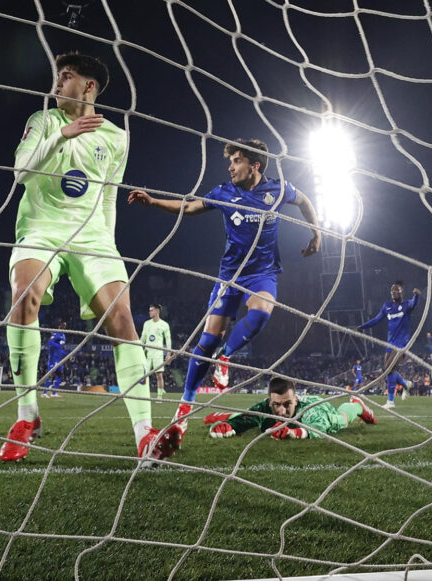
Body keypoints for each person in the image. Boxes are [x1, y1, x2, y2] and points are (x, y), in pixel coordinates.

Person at [1, 51, 176, 464]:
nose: (58, 84)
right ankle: (27, 417)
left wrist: (109, 247)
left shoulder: (116, 137)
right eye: (58, 77)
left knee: (121, 320)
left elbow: (109, 197)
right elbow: (20, 173)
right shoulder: (43, 122)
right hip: (42, 227)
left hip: (93, 236)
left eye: (66, 77)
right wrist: (65, 134)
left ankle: (144, 434)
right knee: (24, 296)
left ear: (89, 86)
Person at [128, 138, 321, 443]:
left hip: (262, 274)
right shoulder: (224, 192)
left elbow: (306, 202)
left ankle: (226, 357)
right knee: (206, 342)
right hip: (229, 276)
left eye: (237, 161)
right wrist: (152, 202)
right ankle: (184, 409)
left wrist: (316, 232)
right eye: (230, 161)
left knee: (261, 313)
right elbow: (190, 206)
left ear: (254, 166)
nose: (230, 167)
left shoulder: (279, 189)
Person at [202, 376, 375, 439]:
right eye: (276, 405)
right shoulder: (265, 407)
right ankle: (227, 415)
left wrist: (293, 433)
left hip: (322, 409)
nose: (282, 412)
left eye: (287, 405)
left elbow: (318, 428)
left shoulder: (310, 410)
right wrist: (230, 426)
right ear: (270, 402)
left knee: (341, 420)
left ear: (296, 402)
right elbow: (249, 418)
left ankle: (356, 405)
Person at [358, 282, 422, 409]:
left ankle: (390, 402)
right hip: (390, 342)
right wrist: (362, 327)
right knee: (389, 371)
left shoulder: (406, 305)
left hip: (401, 343)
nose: (393, 292)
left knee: (387, 369)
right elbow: (376, 319)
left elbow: (414, 303)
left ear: (401, 292)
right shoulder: (387, 306)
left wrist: (417, 295)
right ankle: (405, 384)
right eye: (392, 291)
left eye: (396, 290)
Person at [140, 303, 172, 399]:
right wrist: (138, 349)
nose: (150, 312)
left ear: (157, 311)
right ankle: (144, 396)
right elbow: (143, 338)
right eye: (149, 310)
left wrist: (168, 354)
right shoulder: (146, 323)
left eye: (152, 310)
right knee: (144, 376)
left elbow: (168, 339)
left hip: (158, 354)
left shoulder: (164, 325)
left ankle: (159, 396)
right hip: (147, 353)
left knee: (159, 375)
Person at [43, 321, 67, 398]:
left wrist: (64, 352)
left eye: (65, 326)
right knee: (50, 375)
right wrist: (59, 346)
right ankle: (44, 393)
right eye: (63, 325)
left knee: (60, 374)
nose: (64, 327)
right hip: (53, 359)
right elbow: (50, 342)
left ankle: (54, 393)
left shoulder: (63, 335)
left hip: (59, 359)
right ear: (60, 326)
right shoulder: (55, 334)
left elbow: (62, 347)